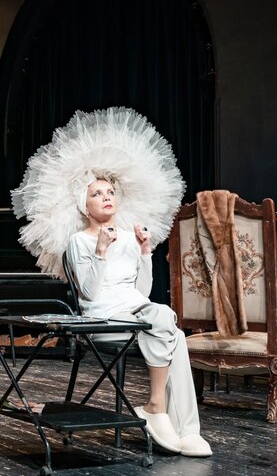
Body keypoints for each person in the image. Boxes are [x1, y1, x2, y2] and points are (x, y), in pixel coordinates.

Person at [66, 176, 212, 457]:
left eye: (110, 192)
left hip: (136, 314)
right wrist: (100, 250)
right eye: (97, 194)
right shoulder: (79, 241)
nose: (106, 197)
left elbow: (142, 292)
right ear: (84, 207)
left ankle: (186, 431)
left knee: (174, 333)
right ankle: (157, 407)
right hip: (103, 319)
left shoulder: (128, 238)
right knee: (167, 324)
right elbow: (90, 293)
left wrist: (145, 252)